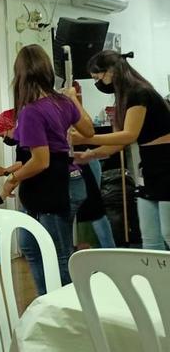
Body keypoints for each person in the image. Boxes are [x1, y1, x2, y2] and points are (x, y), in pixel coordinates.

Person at [0, 44, 94, 295]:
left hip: (55, 186)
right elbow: (88, 130)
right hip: (62, 182)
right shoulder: (60, 102)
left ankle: (70, 310)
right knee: (30, 246)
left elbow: (41, 160)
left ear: (19, 75)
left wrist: (12, 180)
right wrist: (73, 99)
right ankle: (49, 302)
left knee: (58, 254)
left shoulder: (32, 111)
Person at [73, 50, 170, 250]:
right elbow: (118, 143)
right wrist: (90, 155)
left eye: (98, 77)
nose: (98, 83)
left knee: (168, 233)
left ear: (112, 71)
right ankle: (156, 280)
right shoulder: (124, 97)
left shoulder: (139, 92)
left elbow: (129, 135)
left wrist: (87, 138)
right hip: (149, 168)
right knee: (150, 238)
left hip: (166, 165)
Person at [0, 110, 115, 249]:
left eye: (3, 135)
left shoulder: (32, 130)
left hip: (81, 163)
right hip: (72, 168)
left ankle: (108, 249)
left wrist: (8, 178)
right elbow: (25, 163)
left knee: (94, 209)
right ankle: (80, 250)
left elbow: (31, 164)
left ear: (11, 126)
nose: (5, 139)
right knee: (88, 212)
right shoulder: (25, 136)